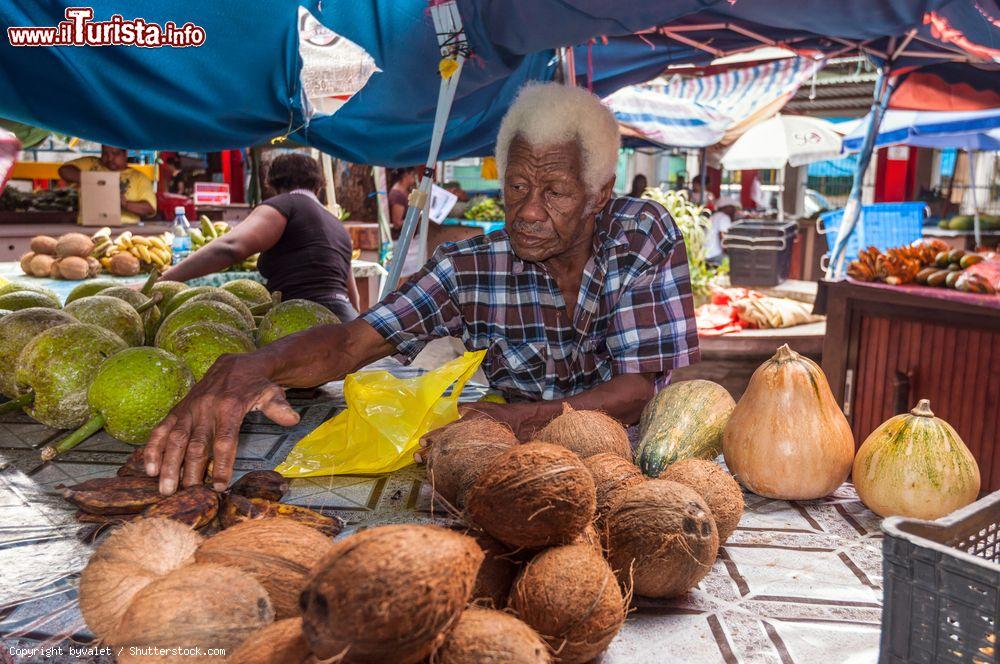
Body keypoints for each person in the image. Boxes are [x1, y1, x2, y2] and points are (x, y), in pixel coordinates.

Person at [145, 82, 698, 495]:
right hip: (512, 465)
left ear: (599, 195)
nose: (528, 211)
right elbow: (349, 344)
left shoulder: (639, 234)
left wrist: (515, 418)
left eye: (555, 191)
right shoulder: (468, 268)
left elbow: (635, 392)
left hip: (628, 464)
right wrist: (254, 367)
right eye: (518, 186)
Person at [161, 152, 360, 321]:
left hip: (303, 321)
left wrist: (165, 279)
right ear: (319, 186)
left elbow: (229, 248)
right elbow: (353, 297)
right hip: (344, 321)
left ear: (271, 184)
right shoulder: (337, 225)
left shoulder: (284, 205)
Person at [58, 145, 156, 223]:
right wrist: (95, 181)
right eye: (105, 153)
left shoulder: (138, 178)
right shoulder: (91, 164)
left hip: (126, 231)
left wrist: (124, 203)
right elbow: (64, 171)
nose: (109, 158)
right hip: (89, 227)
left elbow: (149, 209)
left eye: (115, 153)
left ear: (125, 154)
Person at [387, 166, 419, 239]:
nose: (414, 177)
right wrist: (416, 218)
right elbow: (397, 223)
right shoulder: (397, 195)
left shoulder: (405, 190)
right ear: (405, 175)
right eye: (413, 174)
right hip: (400, 239)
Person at [706, 195, 740, 264]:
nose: (734, 210)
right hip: (714, 255)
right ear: (726, 207)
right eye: (732, 207)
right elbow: (724, 240)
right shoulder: (724, 217)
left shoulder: (714, 216)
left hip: (706, 254)